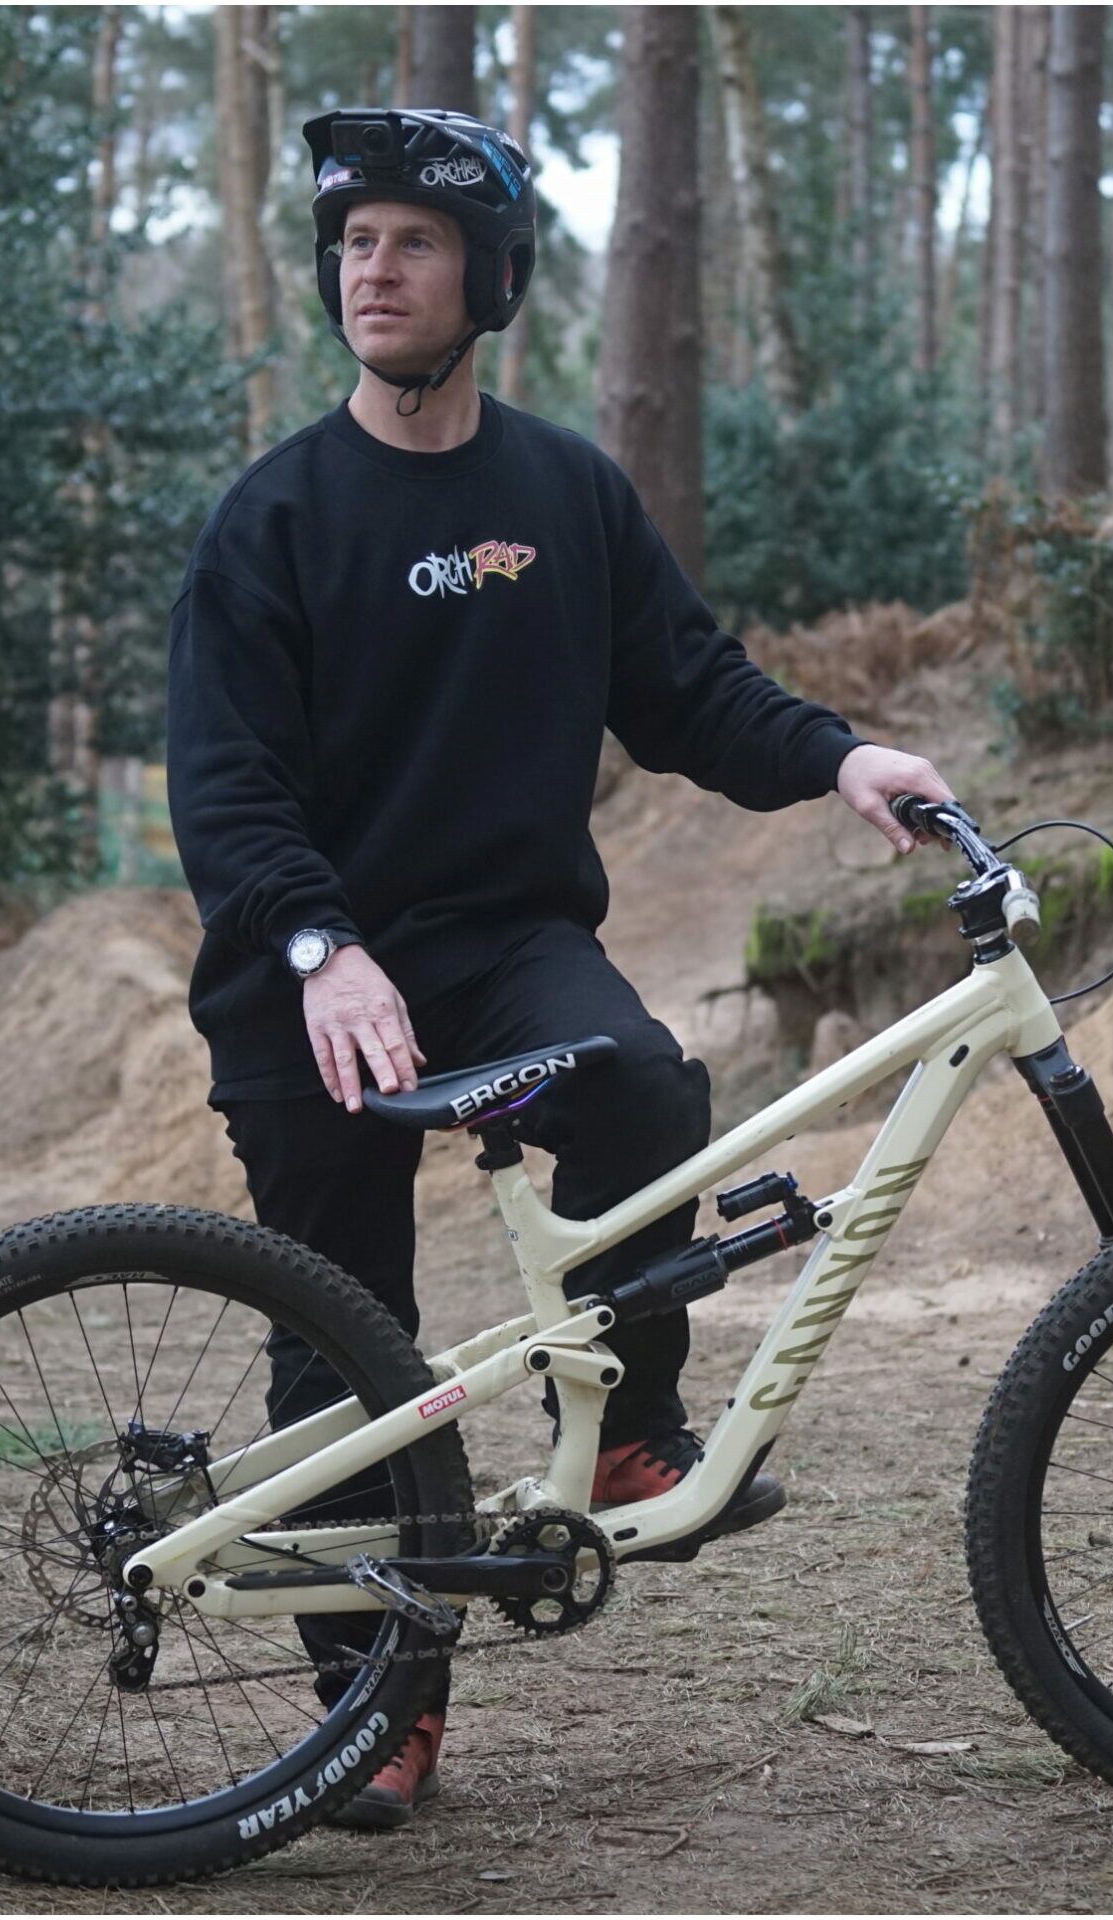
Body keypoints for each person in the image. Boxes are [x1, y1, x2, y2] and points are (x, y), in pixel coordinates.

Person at [165, 106, 955, 1831]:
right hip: (308, 973)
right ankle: (374, 1711)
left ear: (493, 278)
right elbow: (226, 789)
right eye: (354, 242)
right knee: (348, 1352)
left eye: (414, 241)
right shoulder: (274, 517)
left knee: (645, 1089)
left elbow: (691, 691)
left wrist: (840, 757)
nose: (374, 269)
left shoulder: (565, 492)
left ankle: (625, 1425)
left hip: (505, 942)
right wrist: (322, 947)